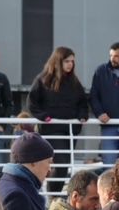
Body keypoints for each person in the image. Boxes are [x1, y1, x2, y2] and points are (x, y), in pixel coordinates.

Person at [27, 46, 90, 191]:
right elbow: (31, 103)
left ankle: (54, 195)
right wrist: (43, 116)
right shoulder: (43, 79)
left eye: (72, 61)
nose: (70, 64)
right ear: (58, 61)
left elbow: (83, 103)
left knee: (63, 166)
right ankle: (53, 196)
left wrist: (82, 115)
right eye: (67, 61)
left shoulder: (74, 82)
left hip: (70, 132)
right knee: (60, 165)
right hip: (51, 131)